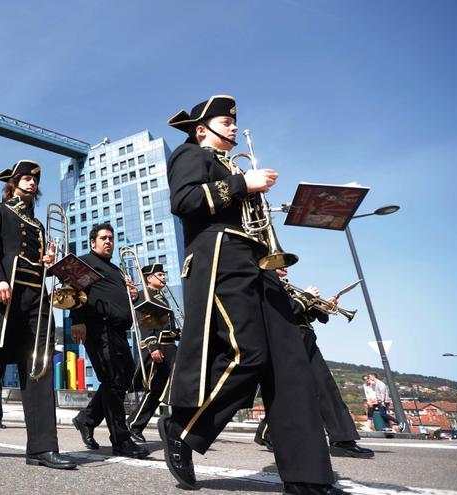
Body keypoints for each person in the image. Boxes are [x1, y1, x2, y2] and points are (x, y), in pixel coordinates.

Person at [160, 95, 339, 494]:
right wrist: (243, 183)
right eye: (227, 121)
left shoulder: (228, 164)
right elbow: (184, 201)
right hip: (221, 259)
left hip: (257, 263)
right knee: (248, 353)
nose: (235, 127)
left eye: (234, 121)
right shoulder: (192, 154)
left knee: (290, 364)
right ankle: (184, 428)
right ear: (202, 128)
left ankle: (308, 476)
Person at [0, 160, 76, 470]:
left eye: (35, 180)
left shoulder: (38, 225)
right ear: (12, 183)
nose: (32, 183)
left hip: (36, 298)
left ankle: (42, 448)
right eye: (25, 179)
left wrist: (46, 259)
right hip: (4, 296)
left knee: (39, 368)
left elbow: (36, 261)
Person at [254, 270, 374, 458]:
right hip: (287, 341)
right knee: (290, 391)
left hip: (307, 339)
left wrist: (325, 307)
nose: (285, 266)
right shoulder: (266, 284)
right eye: (280, 262)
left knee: (327, 388)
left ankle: (342, 440)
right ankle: (267, 432)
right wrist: (306, 298)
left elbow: (309, 316)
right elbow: (284, 314)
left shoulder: (288, 286)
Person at [70, 223, 149, 459]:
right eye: (103, 238)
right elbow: (74, 290)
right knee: (113, 381)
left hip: (118, 330)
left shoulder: (115, 269)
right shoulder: (85, 261)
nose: (108, 242)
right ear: (93, 242)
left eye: (111, 238)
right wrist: (77, 319)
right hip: (98, 328)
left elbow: (121, 297)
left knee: (122, 378)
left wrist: (132, 296)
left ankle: (87, 418)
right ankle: (120, 440)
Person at [126, 263, 180, 444]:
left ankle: (178, 426)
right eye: (159, 274)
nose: (163, 277)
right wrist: (153, 346)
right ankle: (133, 425)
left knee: (173, 387)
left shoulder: (161, 296)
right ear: (149, 278)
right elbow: (145, 323)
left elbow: (166, 325)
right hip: (158, 348)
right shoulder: (144, 295)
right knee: (155, 390)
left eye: (164, 274)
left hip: (170, 346)